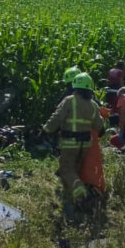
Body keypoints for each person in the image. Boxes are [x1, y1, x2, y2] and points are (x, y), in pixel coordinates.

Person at [43, 72, 105, 222]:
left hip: (69, 143)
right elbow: (99, 126)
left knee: (66, 170)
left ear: (75, 85)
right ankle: (73, 202)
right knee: (74, 171)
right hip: (85, 144)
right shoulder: (93, 105)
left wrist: (46, 129)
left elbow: (57, 117)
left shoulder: (69, 100)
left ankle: (83, 195)